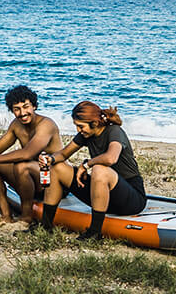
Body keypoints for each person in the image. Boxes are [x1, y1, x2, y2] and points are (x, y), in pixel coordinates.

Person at [37, 100, 147, 240]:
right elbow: (64, 154)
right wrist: (50, 160)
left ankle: (94, 232)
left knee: (99, 169)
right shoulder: (86, 135)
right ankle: (45, 226)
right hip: (103, 196)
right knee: (57, 167)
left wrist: (86, 164)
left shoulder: (114, 132)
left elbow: (110, 158)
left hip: (131, 199)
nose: (78, 130)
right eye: (76, 126)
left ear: (94, 123)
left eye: (80, 126)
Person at [0, 85, 63, 225]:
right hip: (30, 179)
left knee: (21, 166)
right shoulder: (16, 125)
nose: (22, 113)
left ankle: (26, 217)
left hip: (52, 181)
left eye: (26, 107)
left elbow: (28, 153)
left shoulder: (46, 124)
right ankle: (6, 215)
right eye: (17, 109)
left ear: (34, 106)